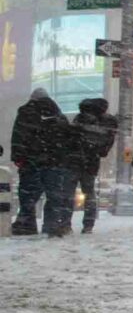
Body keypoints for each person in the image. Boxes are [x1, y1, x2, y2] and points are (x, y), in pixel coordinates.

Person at [9, 89, 76, 237]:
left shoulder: (26, 114)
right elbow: (68, 140)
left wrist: (19, 157)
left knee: (28, 196)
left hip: (31, 162)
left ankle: (27, 225)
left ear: (32, 99)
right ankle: (51, 226)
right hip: (54, 162)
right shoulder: (59, 116)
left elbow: (18, 137)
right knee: (54, 196)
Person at [63, 99, 117, 233]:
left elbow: (69, 139)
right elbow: (104, 149)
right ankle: (88, 224)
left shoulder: (80, 119)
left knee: (68, 194)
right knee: (90, 193)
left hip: (73, 161)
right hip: (91, 163)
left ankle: (65, 223)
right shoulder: (105, 123)